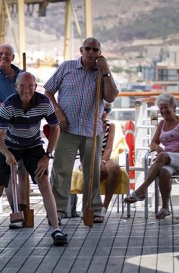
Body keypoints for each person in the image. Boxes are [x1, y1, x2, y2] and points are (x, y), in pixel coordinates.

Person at [0, 72, 67, 246]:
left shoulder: (44, 102)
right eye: (22, 86)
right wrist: (8, 154)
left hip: (33, 146)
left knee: (44, 182)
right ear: (16, 87)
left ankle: (56, 230)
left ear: (35, 86)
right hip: (9, 146)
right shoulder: (8, 105)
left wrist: (47, 155)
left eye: (30, 86)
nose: (26, 90)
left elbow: (55, 127)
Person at [44, 37, 119, 223]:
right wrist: (58, 113)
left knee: (92, 173)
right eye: (88, 49)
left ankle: (93, 209)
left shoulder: (102, 73)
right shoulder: (67, 67)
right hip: (67, 129)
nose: (91, 53)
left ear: (99, 53)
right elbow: (48, 91)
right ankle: (58, 211)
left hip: (92, 129)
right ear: (81, 50)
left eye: (95, 50)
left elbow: (111, 96)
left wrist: (106, 71)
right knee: (61, 172)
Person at [124, 92, 179, 219]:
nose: (163, 110)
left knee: (162, 157)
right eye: (161, 108)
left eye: (166, 107)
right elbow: (153, 143)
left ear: (173, 107)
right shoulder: (161, 124)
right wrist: (158, 148)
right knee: (163, 172)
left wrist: (166, 155)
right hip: (170, 159)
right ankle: (165, 208)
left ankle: (141, 189)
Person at [0, 44, 28, 229]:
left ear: (13, 57)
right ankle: (15, 212)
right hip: (5, 130)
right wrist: (7, 107)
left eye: (7, 54)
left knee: (23, 173)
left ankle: (23, 211)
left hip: (25, 129)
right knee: (10, 172)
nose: (3, 57)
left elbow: (29, 95)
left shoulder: (22, 75)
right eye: (0, 54)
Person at [100, 102, 122, 215]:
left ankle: (104, 207)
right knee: (92, 168)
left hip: (104, 156)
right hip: (87, 155)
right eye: (102, 109)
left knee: (114, 168)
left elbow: (108, 148)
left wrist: (102, 163)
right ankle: (92, 207)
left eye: (107, 110)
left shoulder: (110, 126)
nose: (104, 112)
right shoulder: (89, 124)